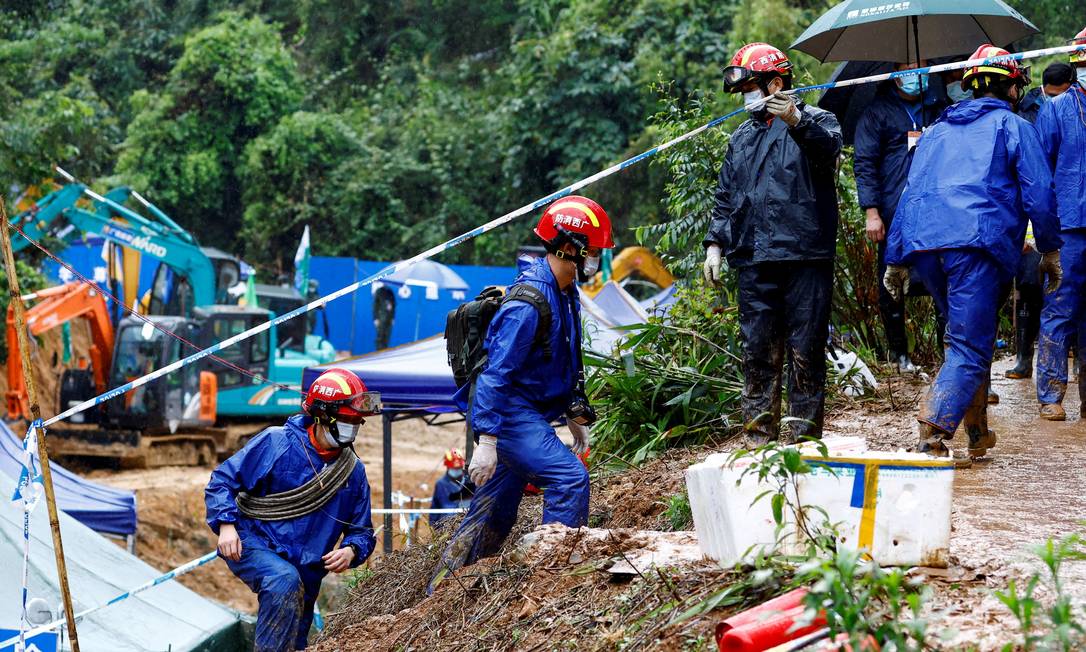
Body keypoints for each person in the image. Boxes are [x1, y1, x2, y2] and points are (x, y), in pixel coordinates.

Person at [884, 44, 1063, 459]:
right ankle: (932, 432)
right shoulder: (1013, 126)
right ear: (1012, 88)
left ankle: (978, 432)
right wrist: (1051, 250)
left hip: (927, 247)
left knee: (966, 335)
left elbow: (908, 196)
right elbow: (1039, 192)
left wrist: (895, 258)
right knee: (968, 343)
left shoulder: (936, 132)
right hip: (976, 246)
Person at [429, 196, 612, 592]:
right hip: (509, 414)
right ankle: (550, 582)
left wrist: (570, 411)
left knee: (493, 510)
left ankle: (442, 591)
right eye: (594, 251)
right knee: (569, 479)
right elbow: (496, 375)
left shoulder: (564, 292)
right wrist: (488, 440)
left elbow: (558, 360)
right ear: (570, 248)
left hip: (527, 411)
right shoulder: (528, 303)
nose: (598, 259)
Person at [703, 42, 842, 445]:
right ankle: (757, 437)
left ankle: (802, 439)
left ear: (776, 83)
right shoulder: (742, 138)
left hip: (805, 254)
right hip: (754, 257)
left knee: (806, 348)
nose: (746, 96)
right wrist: (715, 243)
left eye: (751, 87)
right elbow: (726, 196)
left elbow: (829, 150)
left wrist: (797, 120)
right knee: (758, 351)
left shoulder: (818, 120)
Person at [205, 368, 379, 651]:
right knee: (282, 581)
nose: (353, 427)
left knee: (295, 637)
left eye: (357, 422)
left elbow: (362, 531)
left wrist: (351, 550)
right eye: (347, 420)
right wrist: (226, 525)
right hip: (254, 542)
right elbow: (221, 481)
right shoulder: (277, 442)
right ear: (323, 415)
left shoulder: (352, 472)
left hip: (307, 568)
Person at [854, 61, 946, 373]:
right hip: (894, 214)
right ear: (895, 73)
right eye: (908, 67)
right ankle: (899, 355)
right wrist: (871, 211)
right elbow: (864, 164)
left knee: (944, 279)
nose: (915, 73)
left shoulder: (938, 105)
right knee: (891, 282)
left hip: (937, 211)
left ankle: (947, 351)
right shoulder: (876, 113)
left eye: (922, 67)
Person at [1007, 62, 1077, 380]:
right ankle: (1024, 357)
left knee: (1061, 290)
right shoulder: (1029, 112)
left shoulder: (1074, 109)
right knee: (1031, 283)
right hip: (1040, 209)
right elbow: (1032, 174)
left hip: (1062, 210)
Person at [1034, 28, 1086, 420]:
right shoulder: (1055, 109)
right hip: (1068, 224)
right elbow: (1039, 170)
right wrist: (1038, 226)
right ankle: (1050, 394)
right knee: (1061, 306)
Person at [429, 449, 475, 527]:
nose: (456, 470)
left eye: (458, 468)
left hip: (467, 523)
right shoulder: (441, 484)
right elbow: (435, 507)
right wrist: (434, 527)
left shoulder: (470, 482)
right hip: (446, 525)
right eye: (454, 468)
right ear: (448, 467)